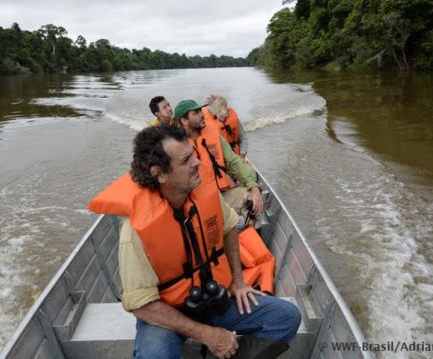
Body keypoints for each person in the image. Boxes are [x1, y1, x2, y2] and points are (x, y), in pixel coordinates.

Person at [88, 125, 301, 358]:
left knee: (287, 317)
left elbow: (230, 227)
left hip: (216, 298)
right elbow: (142, 306)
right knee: (155, 354)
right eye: (186, 160)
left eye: (193, 155)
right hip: (168, 312)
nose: (197, 162)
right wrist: (207, 334)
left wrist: (238, 281)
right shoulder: (135, 232)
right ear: (160, 174)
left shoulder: (204, 193)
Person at [173, 99, 262, 217]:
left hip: (221, 193)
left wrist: (254, 188)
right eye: (196, 113)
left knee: (252, 202)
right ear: (184, 120)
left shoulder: (214, 136)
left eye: (200, 111)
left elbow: (233, 161)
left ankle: (250, 229)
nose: (202, 114)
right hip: (196, 202)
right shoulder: (174, 146)